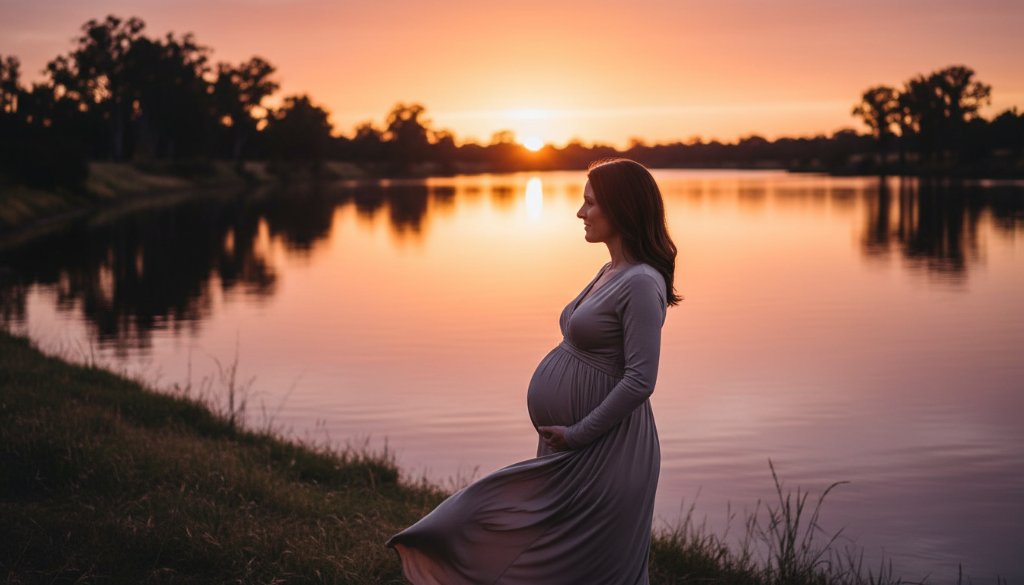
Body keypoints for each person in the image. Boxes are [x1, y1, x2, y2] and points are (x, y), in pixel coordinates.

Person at [386, 158, 681, 584]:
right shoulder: (610, 270)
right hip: (573, 445)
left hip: (606, 450)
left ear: (622, 208)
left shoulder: (640, 283)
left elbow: (640, 380)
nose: (580, 213)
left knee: (591, 566)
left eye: (590, 203)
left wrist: (578, 434)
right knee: (514, 532)